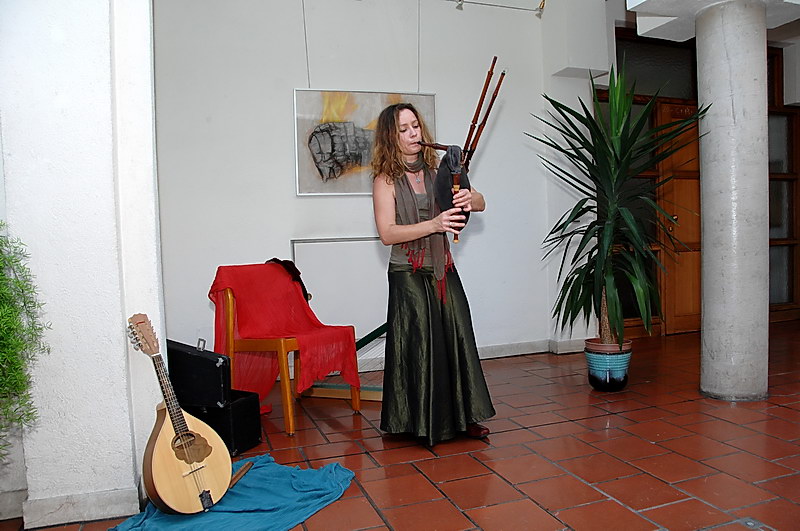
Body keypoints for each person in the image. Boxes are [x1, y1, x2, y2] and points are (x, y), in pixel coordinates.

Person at [371, 102, 495, 446]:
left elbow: (480, 202)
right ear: (391, 137)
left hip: (442, 266)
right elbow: (388, 234)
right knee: (422, 344)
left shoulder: (439, 170)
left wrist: (471, 197)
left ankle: (465, 417)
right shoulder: (385, 180)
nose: (413, 134)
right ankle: (419, 421)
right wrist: (435, 224)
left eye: (416, 126)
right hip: (407, 271)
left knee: (458, 334)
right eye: (404, 129)